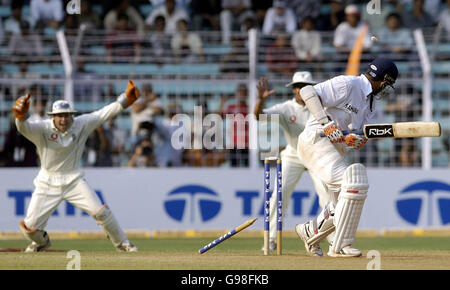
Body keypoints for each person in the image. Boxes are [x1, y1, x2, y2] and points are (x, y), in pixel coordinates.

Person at [12, 80, 140, 252]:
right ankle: (41, 242)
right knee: (29, 228)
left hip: (73, 180)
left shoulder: (81, 123)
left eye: (67, 115)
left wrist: (126, 99)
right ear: (53, 116)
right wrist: (20, 116)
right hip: (47, 181)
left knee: (101, 212)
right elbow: (24, 128)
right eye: (60, 116)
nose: (64, 119)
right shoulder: (42, 128)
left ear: (72, 115)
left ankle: (122, 243)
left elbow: (104, 114)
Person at [295, 57, 398, 257]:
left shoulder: (370, 105)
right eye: (388, 84)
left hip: (336, 150)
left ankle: (311, 233)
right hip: (316, 140)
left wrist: (358, 139)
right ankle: (340, 245)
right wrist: (326, 123)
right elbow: (307, 91)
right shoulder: (349, 84)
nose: (386, 89)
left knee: (341, 205)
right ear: (383, 80)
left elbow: (357, 133)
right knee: (354, 184)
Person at [253, 72, 329, 252]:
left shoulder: (321, 107)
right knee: (279, 196)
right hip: (293, 154)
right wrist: (260, 101)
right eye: (299, 86)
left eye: (305, 86)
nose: (301, 90)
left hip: (316, 154)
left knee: (327, 196)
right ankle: (270, 239)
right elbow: (259, 116)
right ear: (294, 89)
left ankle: (333, 239)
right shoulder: (286, 108)